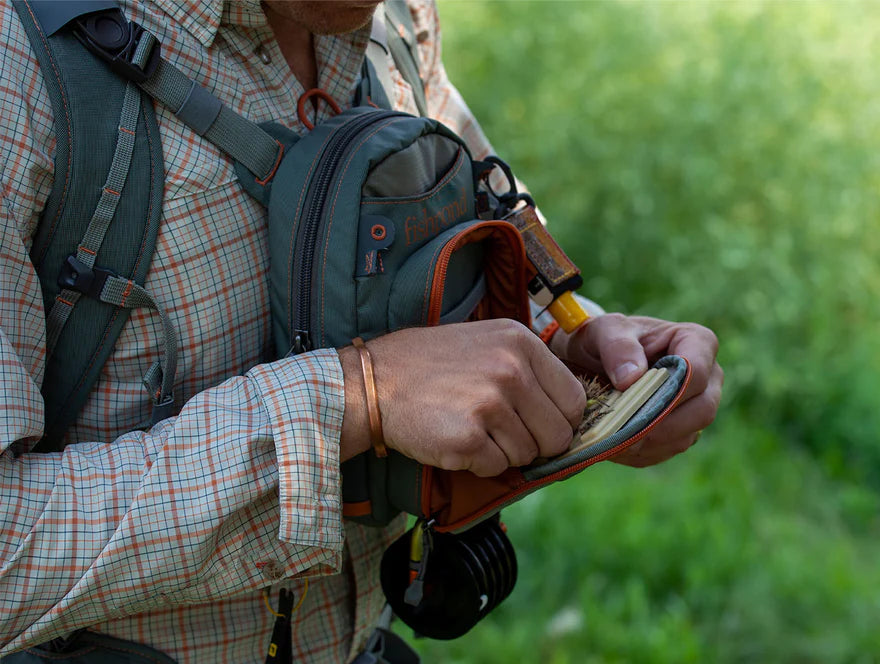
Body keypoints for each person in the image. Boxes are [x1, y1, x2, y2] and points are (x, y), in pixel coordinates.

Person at [0, 0, 724, 661]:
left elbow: (469, 246)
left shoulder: (396, 22)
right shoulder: (23, 63)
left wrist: (577, 351)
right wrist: (353, 398)